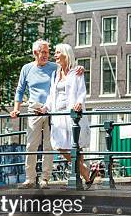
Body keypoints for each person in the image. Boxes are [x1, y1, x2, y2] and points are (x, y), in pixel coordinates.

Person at [10, 40, 84, 189]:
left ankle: (45, 178)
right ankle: (30, 179)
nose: (46, 55)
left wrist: (80, 67)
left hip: (52, 110)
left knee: (49, 146)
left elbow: (69, 68)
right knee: (31, 145)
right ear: (35, 53)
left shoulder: (54, 67)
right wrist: (16, 109)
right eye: (43, 52)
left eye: (47, 52)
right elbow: (20, 90)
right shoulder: (27, 68)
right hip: (34, 109)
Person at [39, 43, 98, 189]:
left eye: (58, 53)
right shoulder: (55, 74)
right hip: (58, 115)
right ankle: (85, 172)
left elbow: (82, 91)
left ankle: (78, 179)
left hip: (72, 114)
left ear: (66, 54)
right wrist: (46, 107)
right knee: (59, 145)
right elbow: (52, 95)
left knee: (76, 146)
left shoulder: (76, 72)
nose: (55, 55)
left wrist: (79, 102)